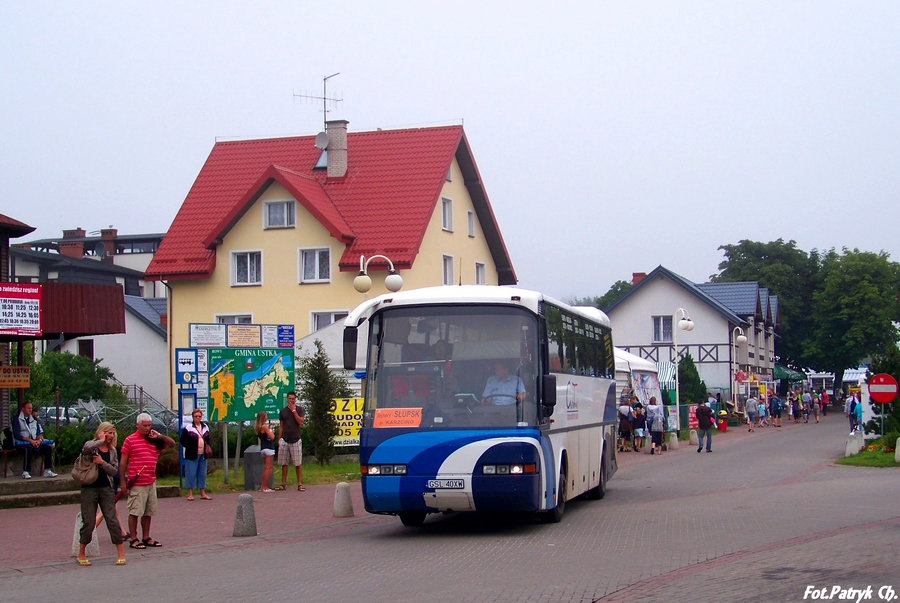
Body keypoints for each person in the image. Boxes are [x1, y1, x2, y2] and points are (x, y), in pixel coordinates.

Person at [120, 412, 175, 550]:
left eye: (149, 425)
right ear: (137, 425)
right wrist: (122, 482)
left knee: (148, 511)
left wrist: (160, 436)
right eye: (144, 425)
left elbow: (172, 443)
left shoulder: (154, 439)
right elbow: (123, 462)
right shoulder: (130, 440)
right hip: (137, 482)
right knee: (135, 511)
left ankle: (146, 537)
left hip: (150, 481)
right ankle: (133, 538)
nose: (147, 428)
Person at [77, 422, 126, 566]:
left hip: (106, 488)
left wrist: (101, 463)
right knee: (89, 521)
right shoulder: (91, 447)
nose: (110, 436)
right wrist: (100, 440)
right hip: (89, 488)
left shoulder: (112, 451)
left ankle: (120, 553)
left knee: (112, 519)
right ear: (101, 432)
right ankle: (81, 553)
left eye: (112, 433)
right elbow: (86, 448)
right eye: (107, 432)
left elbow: (113, 471)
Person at [12, 401, 58, 479]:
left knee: (47, 448)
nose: (30, 410)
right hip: (22, 443)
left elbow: (39, 434)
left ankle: (47, 470)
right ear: (23, 409)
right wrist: (30, 441)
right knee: (28, 449)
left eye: (31, 408)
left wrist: (38, 441)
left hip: (34, 442)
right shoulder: (16, 419)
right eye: (28, 408)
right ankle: (26, 471)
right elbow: (17, 435)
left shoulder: (34, 419)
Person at [179, 409, 212, 501]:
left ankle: (202, 492)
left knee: (202, 473)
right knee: (191, 473)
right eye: (196, 416)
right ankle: (190, 493)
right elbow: (182, 440)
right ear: (193, 417)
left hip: (203, 455)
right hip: (192, 454)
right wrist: (190, 447)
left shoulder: (205, 427)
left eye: (199, 416)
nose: (198, 418)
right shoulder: (189, 427)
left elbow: (208, 439)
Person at [276, 391, 305, 491]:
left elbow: (301, 422)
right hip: (285, 438)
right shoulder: (283, 411)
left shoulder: (300, 409)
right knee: (284, 463)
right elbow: (281, 426)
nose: (291, 400)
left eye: (293, 399)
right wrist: (279, 439)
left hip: (296, 439)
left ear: (295, 399)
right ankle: (283, 483)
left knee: (297, 463)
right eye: (290, 399)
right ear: (287, 399)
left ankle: (299, 484)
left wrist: (294, 411)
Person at [255, 411, 276, 492]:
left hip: (263, 448)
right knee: (268, 468)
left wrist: (269, 427)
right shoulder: (264, 427)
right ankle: (264, 487)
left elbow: (265, 435)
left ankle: (262, 487)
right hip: (269, 448)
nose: (267, 418)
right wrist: (272, 430)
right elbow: (272, 437)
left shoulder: (258, 427)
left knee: (266, 468)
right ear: (263, 417)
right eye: (266, 416)